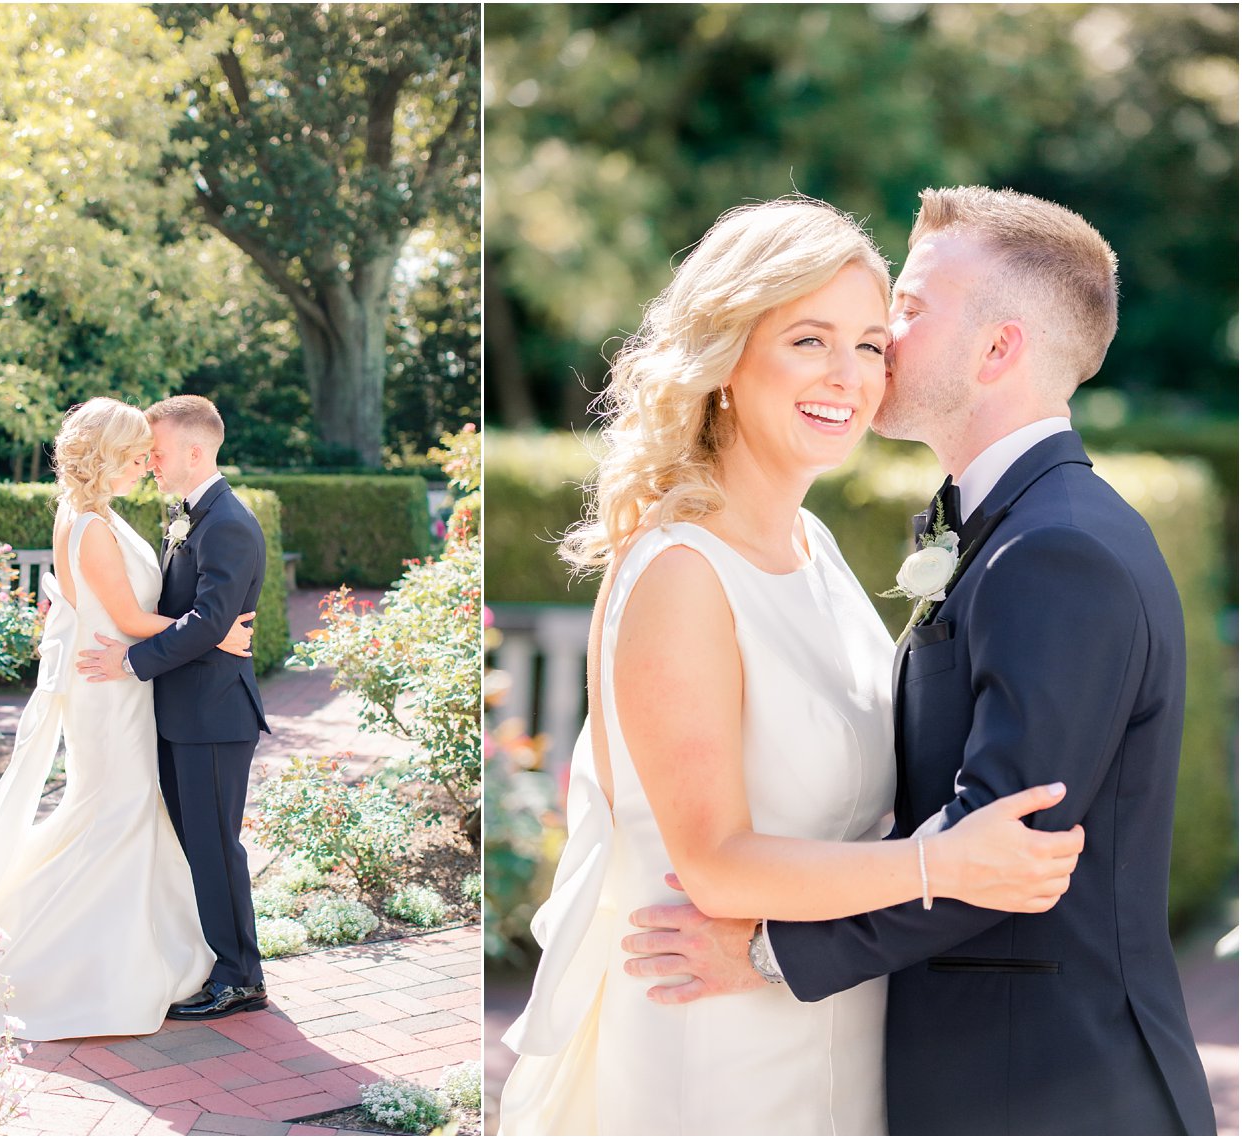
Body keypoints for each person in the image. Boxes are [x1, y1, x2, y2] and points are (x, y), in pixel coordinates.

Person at [622, 188, 1216, 1135]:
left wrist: (769, 955)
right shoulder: (1004, 531)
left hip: (1047, 1089)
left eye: (906, 308)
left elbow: (1004, 851)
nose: (882, 340)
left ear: (996, 350)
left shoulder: (1057, 550)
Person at [496, 198, 1084, 1136]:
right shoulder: (683, 571)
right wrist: (942, 863)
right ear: (726, 356)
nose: (847, 377)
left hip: (834, 1024)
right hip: (714, 1044)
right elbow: (718, 865)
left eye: (866, 344)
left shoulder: (813, 545)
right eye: (808, 339)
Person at [0, 396, 253, 1040]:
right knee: (112, 816)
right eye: (138, 455)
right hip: (111, 685)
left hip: (121, 682)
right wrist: (218, 634)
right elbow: (130, 619)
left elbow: (99, 602)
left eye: (153, 453)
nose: (148, 464)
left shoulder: (91, 515)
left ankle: (138, 951)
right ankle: (63, 960)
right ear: (110, 457)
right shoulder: (91, 525)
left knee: (118, 818)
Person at [77, 394, 271, 1021]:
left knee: (216, 847)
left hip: (214, 715)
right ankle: (224, 964)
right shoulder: (188, 516)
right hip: (181, 711)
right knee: (198, 845)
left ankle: (241, 977)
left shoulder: (229, 523)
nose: (150, 463)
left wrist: (130, 662)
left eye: (156, 453)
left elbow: (210, 620)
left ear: (194, 451)